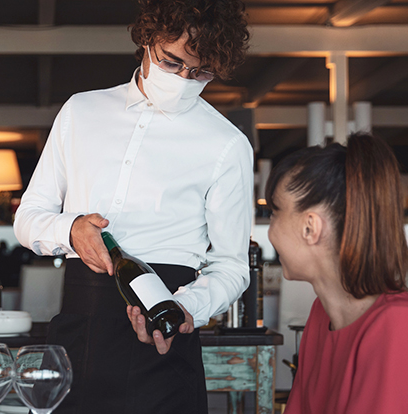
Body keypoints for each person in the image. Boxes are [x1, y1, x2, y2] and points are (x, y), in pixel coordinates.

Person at [13, 1, 252, 413]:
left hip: (163, 332)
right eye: (171, 62)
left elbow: (232, 265)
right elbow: (28, 217)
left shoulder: (227, 145)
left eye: (200, 72)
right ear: (146, 38)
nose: (182, 79)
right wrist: (70, 230)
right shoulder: (80, 111)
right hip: (79, 329)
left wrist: (186, 308)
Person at [266, 133, 408, 413]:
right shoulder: (322, 314)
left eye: (275, 213)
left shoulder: (400, 325)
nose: (270, 231)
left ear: (310, 228)